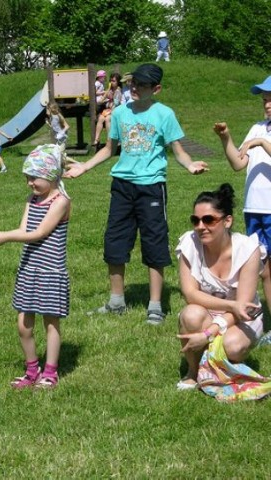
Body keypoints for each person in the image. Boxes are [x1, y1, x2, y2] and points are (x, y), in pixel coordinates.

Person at [65, 63, 208, 324]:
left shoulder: (165, 114)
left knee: (154, 242)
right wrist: (83, 167)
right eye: (133, 83)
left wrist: (189, 164)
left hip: (152, 186)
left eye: (141, 85)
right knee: (115, 241)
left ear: (156, 89)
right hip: (122, 185)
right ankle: (116, 302)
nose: (134, 87)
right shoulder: (120, 113)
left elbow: (177, 148)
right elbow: (110, 149)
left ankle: (155, 306)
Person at [0, 145, 71, 389]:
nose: (30, 183)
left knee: (51, 323)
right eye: (27, 178)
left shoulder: (61, 201)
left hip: (50, 271)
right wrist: (2, 235)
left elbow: (39, 233)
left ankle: (50, 372)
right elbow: (24, 230)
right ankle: (32, 369)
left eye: (35, 177)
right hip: (29, 269)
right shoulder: (32, 199)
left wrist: (6, 238)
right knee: (23, 324)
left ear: (52, 175)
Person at [175, 184, 271, 401]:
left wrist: (208, 334)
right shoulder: (189, 243)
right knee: (190, 314)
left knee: (232, 346)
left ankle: (221, 367)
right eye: (195, 220)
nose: (201, 226)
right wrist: (230, 304)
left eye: (209, 220)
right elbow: (190, 294)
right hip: (217, 310)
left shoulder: (248, 249)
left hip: (242, 317)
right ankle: (194, 371)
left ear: (227, 221)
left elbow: (243, 307)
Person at [213, 75, 271, 314]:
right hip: (254, 209)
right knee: (263, 268)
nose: (267, 104)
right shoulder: (257, 127)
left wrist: (260, 142)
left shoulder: (259, 135)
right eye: (265, 100)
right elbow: (238, 163)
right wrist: (225, 138)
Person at [93, 73, 122, 147]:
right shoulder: (109, 90)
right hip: (108, 110)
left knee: (107, 119)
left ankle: (109, 140)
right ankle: (97, 139)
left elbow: (116, 104)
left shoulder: (118, 91)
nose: (112, 82)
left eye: (114, 81)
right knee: (100, 118)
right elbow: (100, 101)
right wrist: (106, 94)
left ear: (118, 82)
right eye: (111, 81)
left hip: (115, 110)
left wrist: (111, 98)